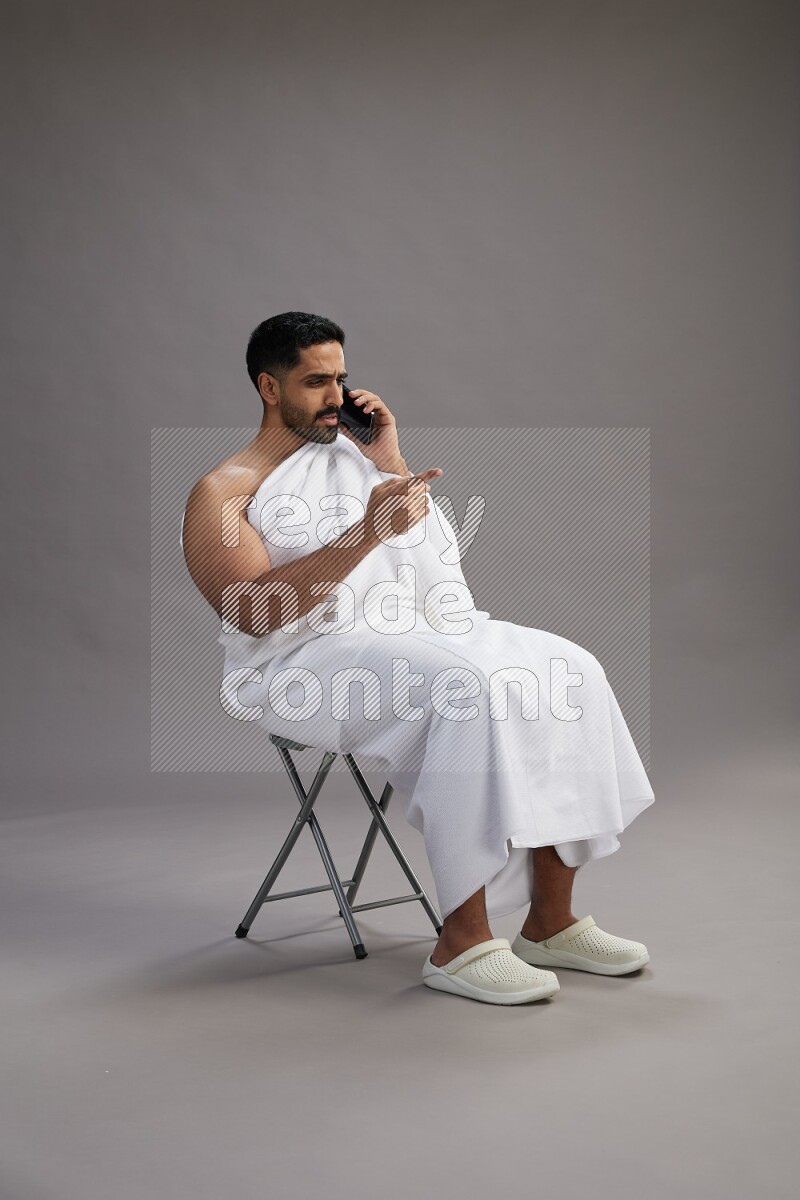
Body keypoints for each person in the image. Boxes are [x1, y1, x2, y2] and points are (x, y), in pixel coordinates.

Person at [180, 311, 655, 1006]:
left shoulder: (356, 458)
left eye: (341, 378)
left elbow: (434, 577)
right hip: (301, 661)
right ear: (268, 387)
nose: (337, 396)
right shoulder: (222, 492)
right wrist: (369, 527)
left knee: (571, 669)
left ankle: (550, 923)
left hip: (407, 630)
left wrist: (390, 465)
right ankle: (460, 942)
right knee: (466, 690)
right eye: (316, 381)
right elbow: (256, 613)